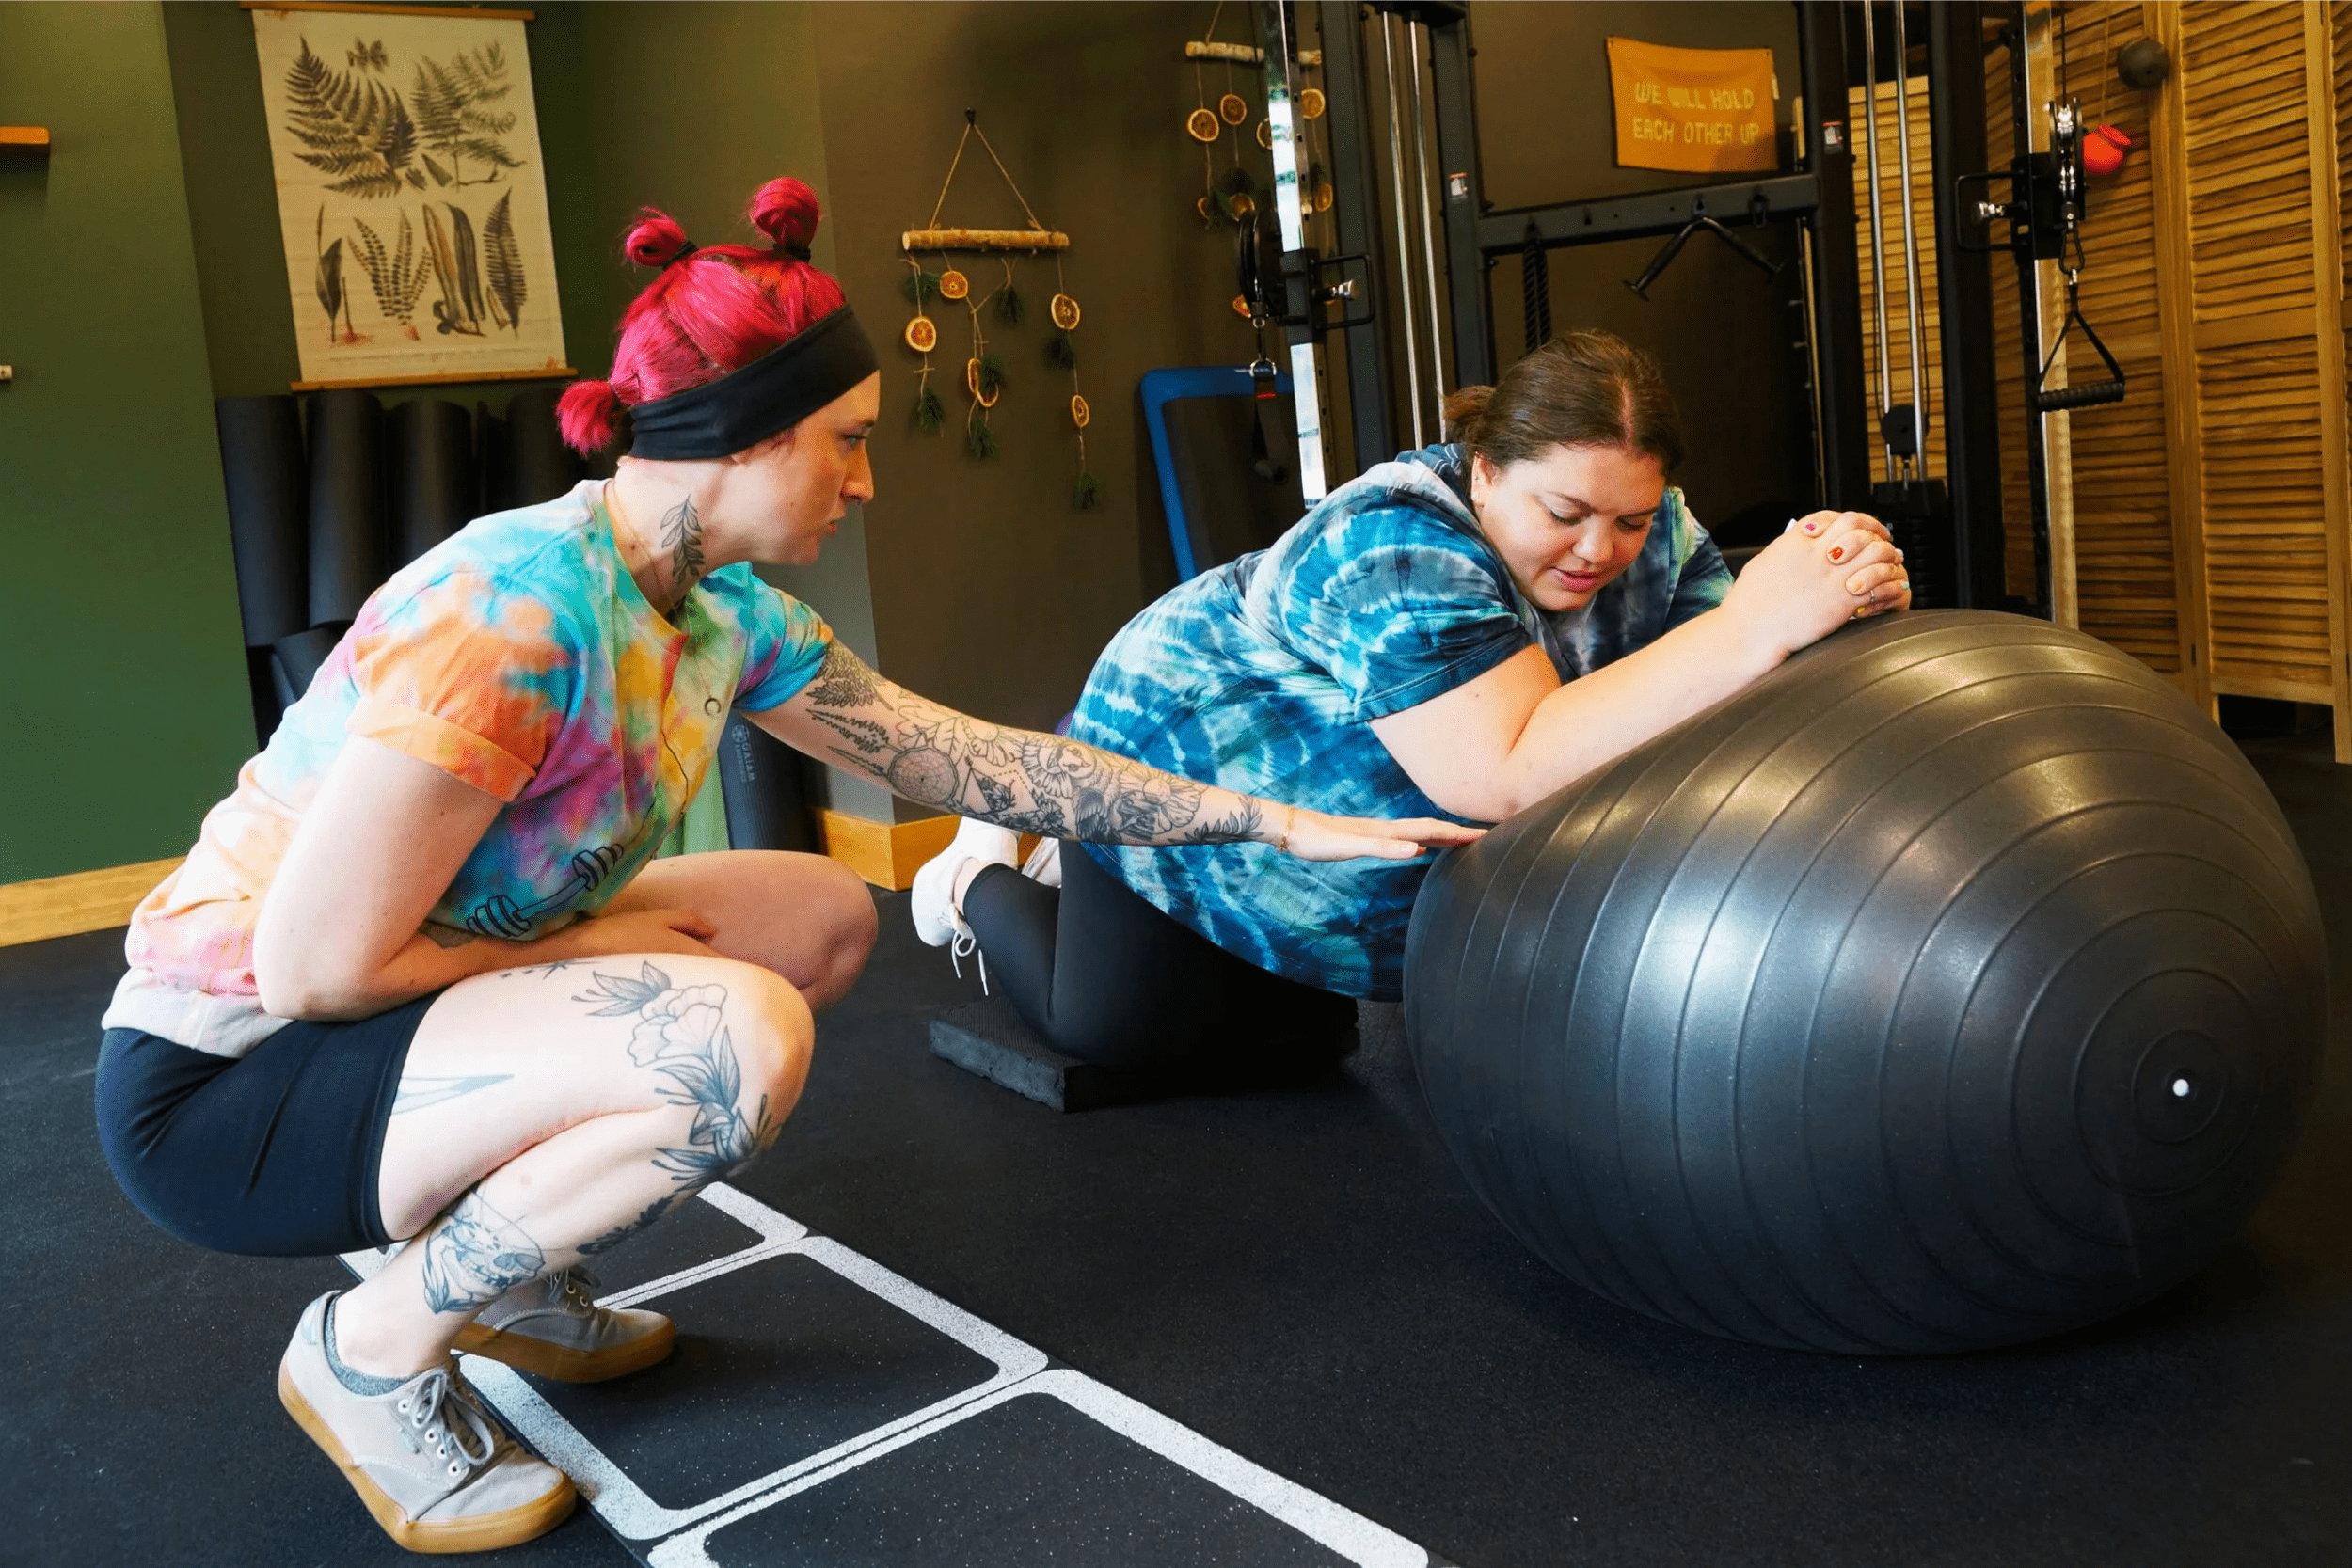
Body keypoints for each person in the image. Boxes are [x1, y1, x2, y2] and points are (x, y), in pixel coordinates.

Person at [91, 177, 1475, 1556]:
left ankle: (506, 1283)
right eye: (848, 442)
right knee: (732, 1035)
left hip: (401, 1009)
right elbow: (315, 966)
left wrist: (1272, 820)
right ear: (739, 440)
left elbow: (962, 761)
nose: (868, 481)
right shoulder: (510, 615)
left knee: (812, 915)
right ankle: (369, 1347)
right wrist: (620, 961)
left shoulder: (716, 613)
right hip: (233, 1077)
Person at [911, 328, 1911, 1073]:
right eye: (1561, 513)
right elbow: (1504, 772)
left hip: (1338, 835)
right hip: (1170, 759)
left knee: (1302, 1040)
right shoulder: (1393, 543)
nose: (1599, 550)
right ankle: (986, 858)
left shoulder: (1662, 538)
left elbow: (1728, 709)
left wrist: (1831, 591)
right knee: (1111, 1034)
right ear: (1483, 471)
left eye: (1630, 518)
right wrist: (1755, 623)